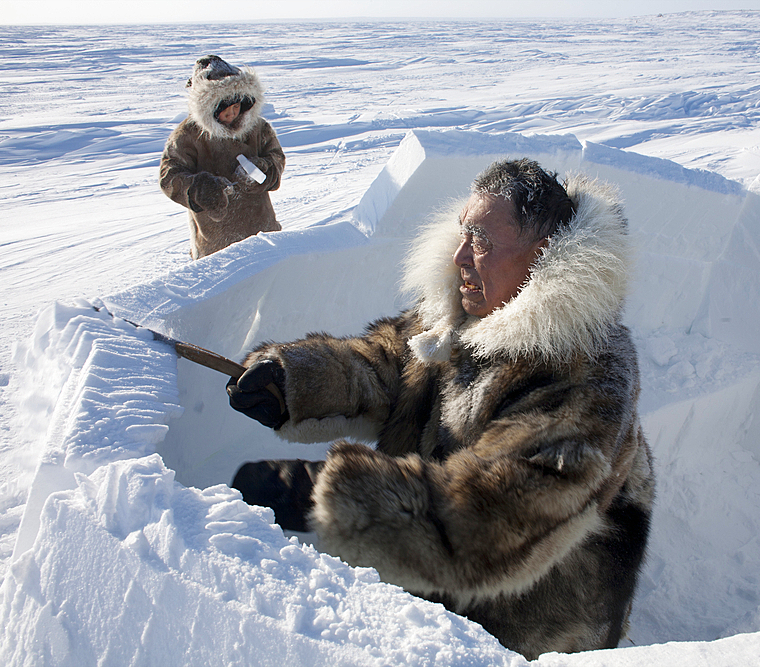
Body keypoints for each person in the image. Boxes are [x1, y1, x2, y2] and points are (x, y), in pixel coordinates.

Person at [226, 158, 655, 659]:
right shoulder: (467, 312)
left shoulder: (589, 370)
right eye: (463, 234)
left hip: (530, 622)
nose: (459, 257)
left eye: (481, 241)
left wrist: (325, 494)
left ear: (541, 258)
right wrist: (293, 380)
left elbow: (504, 511)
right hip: (433, 585)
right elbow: (388, 361)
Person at [160, 55, 286, 259]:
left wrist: (264, 170)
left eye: (237, 106)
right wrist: (200, 189)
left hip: (262, 232)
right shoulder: (188, 135)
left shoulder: (258, 128)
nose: (232, 113)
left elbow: (277, 158)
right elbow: (169, 176)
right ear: (208, 106)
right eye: (224, 108)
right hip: (215, 245)